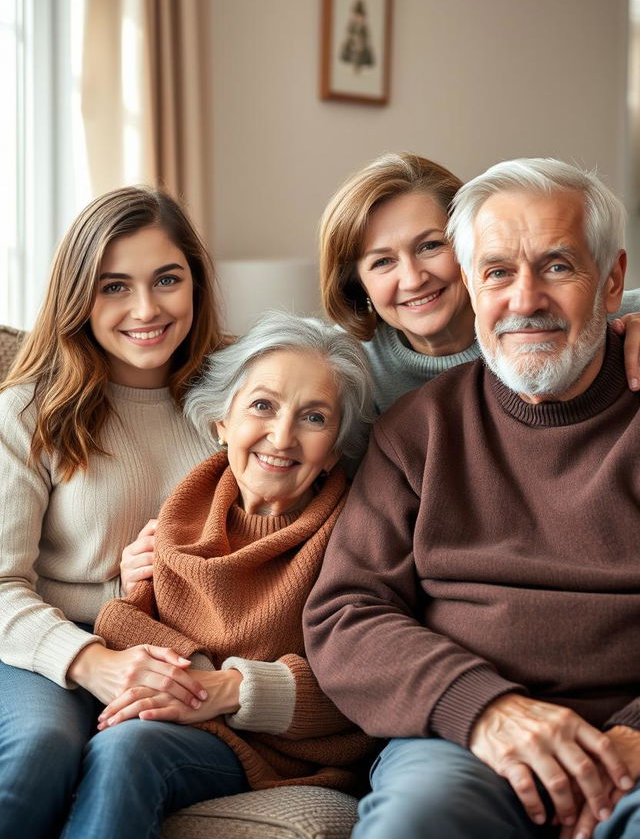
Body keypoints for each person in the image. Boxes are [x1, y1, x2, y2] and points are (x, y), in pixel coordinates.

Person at [305, 158, 640, 839]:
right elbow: (344, 613)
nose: (524, 300)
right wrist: (482, 709)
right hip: (462, 743)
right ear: (470, 283)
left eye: (556, 266)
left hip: (631, 737)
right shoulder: (412, 427)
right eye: (497, 272)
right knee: (416, 822)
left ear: (612, 282)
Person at [57, 312, 375, 839]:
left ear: (335, 450)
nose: (282, 435)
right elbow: (126, 619)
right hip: (177, 717)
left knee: (126, 747)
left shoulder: (358, 534)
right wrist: (193, 676)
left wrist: (227, 688)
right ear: (223, 421)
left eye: (314, 418)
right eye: (262, 406)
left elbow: (363, 681)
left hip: (284, 750)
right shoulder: (188, 507)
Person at [0, 186, 226, 839]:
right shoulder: (28, 412)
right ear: (78, 296)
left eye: (167, 280)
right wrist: (96, 657)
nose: (147, 309)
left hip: (177, 654)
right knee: (42, 746)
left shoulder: (237, 399)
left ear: (196, 283)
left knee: (125, 752)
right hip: (41, 651)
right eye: (114, 287)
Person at [320, 151, 640, 412]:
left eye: (431, 246)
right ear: (357, 283)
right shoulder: (345, 366)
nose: (413, 279)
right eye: (382, 261)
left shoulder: (590, 310)